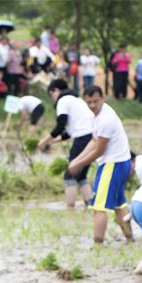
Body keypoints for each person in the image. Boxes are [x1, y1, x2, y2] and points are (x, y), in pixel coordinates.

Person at [66, 86, 134, 243]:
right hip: (120, 162)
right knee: (118, 204)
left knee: (99, 207)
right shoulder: (96, 115)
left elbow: (99, 150)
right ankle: (130, 239)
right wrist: (76, 160)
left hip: (112, 165)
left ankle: (97, 245)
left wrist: (80, 164)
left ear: (103, 98)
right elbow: (94, 140)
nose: (92, 105)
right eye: (88, 102)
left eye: (95, 101)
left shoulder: (106, 119)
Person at [38, 79, 95, 209]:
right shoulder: (75, 100)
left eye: (51, 94)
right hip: (92, 136)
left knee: (70, 173)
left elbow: (60, 125)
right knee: (81, 175)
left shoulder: (63, 100)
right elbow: (68, 132)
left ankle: (70, 210)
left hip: (83, 137)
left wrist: (44, 141)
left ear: (56, 90)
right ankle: (90, 206)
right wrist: (53, 141)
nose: (52, 98)